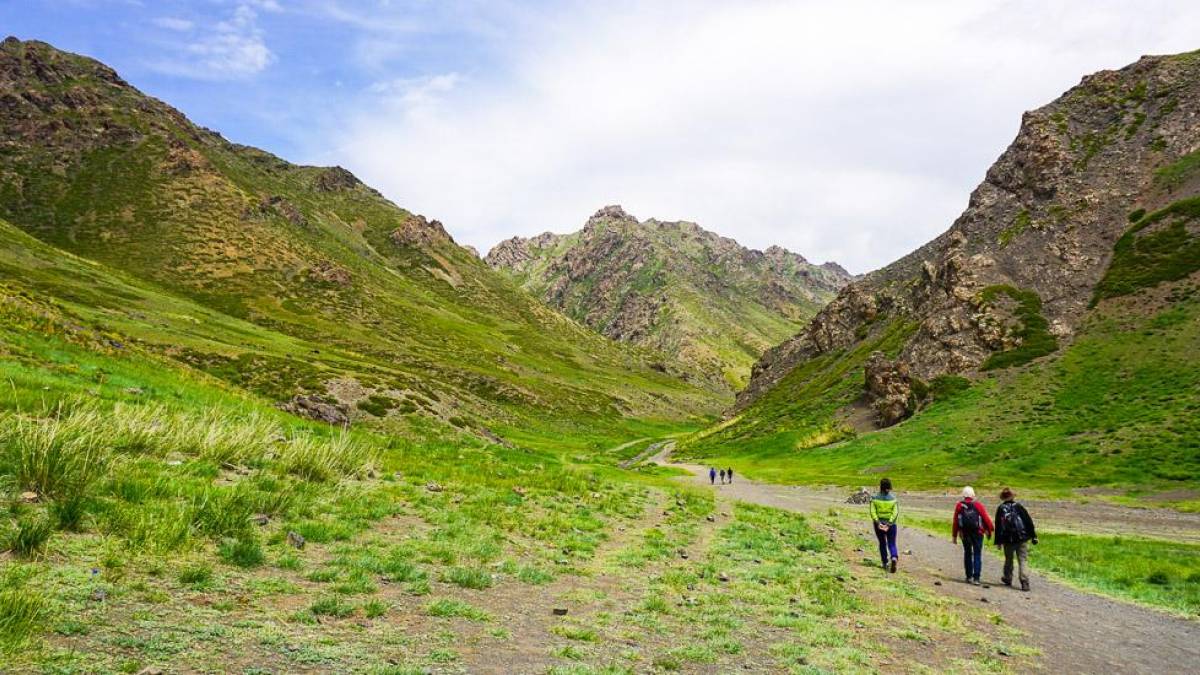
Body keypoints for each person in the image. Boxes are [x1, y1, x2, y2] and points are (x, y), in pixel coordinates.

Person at [994, 487, 1038, 591]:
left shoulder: (1001, 509)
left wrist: (998, 541)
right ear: (1012, 496)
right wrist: (1033, 536)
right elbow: (1028, 522)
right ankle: (1024, 582)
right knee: (1023, 560)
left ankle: (1008, 578)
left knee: (1009, 560)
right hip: (1022, 538)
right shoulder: (1019, 507)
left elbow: (998, 526)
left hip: (1008, 539)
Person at [951, 486, 993, 585]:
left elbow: (955, 522)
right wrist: (990, 530)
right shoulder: (978, 505)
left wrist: (954, 536)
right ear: (973, 495)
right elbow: (986, 519)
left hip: (964, 534)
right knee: (977, 554)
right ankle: (976, 578)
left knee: (968, 553)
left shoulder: (959, 506)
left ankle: (969, 576)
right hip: (978, 533)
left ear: (963, 495)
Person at [869, 477, 900, 572]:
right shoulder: (894, 499)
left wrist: (878, 522)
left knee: (882, 543)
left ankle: (885, 562)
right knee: (892, 543)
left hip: (879, 524)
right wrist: (889, 523)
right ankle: (894, 557)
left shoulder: (874, 498)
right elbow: (895, 512)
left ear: (881, 486)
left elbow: (872, 511)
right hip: (891, 525)